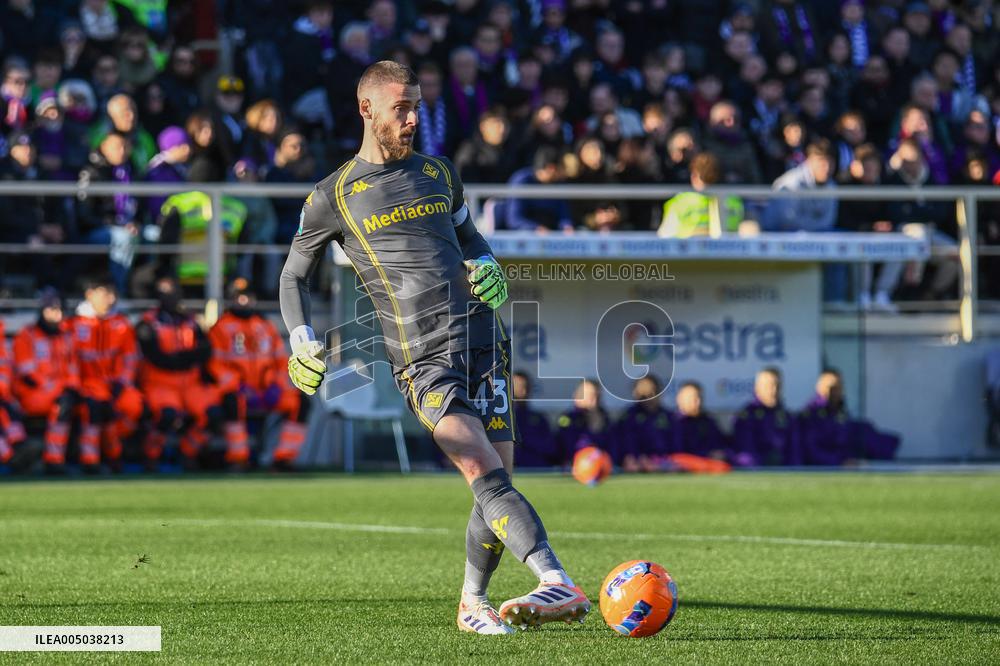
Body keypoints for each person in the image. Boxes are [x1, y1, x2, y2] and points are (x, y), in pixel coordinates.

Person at [278, 61, 587, 635]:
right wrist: (300, 340)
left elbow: (470, 238)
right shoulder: (334, 194)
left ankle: (473, 602)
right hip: (422, 359)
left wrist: (489, 263)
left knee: (496, 483)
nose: (414, 118)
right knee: (480, 468)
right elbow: (292, 274)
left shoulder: (441, 173)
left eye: (417, 106)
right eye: (402, 108)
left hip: (484, 343)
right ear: (367, 108)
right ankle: (555, 577)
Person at [208, 279, 310, 470]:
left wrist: (276, 386)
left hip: (267, 391)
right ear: (231, 299)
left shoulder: (265, 326)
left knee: (301, 402)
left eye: (248, 296)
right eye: (239, 297)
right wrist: (238, 386)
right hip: (238, 391)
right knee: (231, 402)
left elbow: (281, 360)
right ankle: (238, 459)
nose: (245, 301)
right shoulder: (220, 328)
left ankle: (283, 459)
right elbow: (215, 364)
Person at [136, 276, 224, 470]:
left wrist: (179, 359)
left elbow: (206, 350)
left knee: (214, 414)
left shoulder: (190, 320)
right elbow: (157, 358)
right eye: (164, 292)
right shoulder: (147, 323)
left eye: (173, 291)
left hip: (190, 384)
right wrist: (186, 358)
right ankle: (151, 456)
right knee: (167, 415)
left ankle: (188, 452)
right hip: (160, 384)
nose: (170, 297)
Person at [68, 276, 143, 472]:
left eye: (111, 294)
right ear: (89, 294)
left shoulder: (122, 324)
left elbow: (130, 358)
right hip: (87, 385)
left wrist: (122, 383)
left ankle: (114, 452)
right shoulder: (73, 325)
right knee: (93, 409)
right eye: (104, 293)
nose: (108, 299)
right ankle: (91, 459)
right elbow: (68, 360)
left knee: (135, 406)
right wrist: (76, 386)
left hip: (114, 385)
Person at [11, 290, 81, 472]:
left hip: (59, 391)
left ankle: (92, 460)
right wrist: (60, 390)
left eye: (59, 311)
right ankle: (54, 460)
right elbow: (28, 374)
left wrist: (72, 388)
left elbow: (72, 368)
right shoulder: (27, 335)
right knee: (63, 404)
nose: (56, 315)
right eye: (51, 310)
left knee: (90, 405)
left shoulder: (66, 337)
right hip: (32, 394)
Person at [658, 152, 743, 238]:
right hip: (727, 250)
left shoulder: (680, 202)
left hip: (688, 249)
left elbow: (664, 237)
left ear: (694, 175)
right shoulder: (734, 201)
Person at [731, 368, 800, 467]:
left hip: (785, 471)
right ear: (757, 388)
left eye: (778, 385)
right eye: (769, 386)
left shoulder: (787, 416)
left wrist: (793, 470)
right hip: (759, 470)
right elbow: (746, 452)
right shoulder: (746, 416)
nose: (774, 390)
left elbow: (794, 450)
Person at [504, 146, 573, 232]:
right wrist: (535, 228)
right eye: (562, 167)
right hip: (524, 239)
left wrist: (567, 226)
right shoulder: (522, 181)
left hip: (551, 237)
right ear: (551, 168)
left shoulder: (558, 184)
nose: (564, 172)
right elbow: (514, 219)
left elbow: (563, 214)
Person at [614, 376, 674, 473]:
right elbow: (625, 445)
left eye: (652, 391)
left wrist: (661, 461)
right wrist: (636, 458)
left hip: (665, 464)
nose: (648, 396)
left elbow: (676, 446)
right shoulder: (628, 417)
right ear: (636, 394)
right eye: (643, 393)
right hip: (636, 465)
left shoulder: (670, 417)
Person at [555, 378, 616, 465]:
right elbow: (567, 447)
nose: (594, 401)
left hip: (603, 466)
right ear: (576, 396)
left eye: (597, 396)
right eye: (589, 396)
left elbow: (613, 448)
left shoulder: (606, 420)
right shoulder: (566, 420)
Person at [509, 372, 557, 468]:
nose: (523, 391)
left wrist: (525, 440)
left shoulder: (539, 418)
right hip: (512, 469)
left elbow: (551, 448)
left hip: (537, 468)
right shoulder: (502, 418)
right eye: (517, 387)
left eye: (526, 387)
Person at [672, 381, 727, 459]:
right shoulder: (673, 422)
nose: (698, 402)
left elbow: (719, 444)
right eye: (692, 398)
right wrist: (707, 455)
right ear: (679, 399)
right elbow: (677, 452)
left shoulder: (708, 421)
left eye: (699, 397)